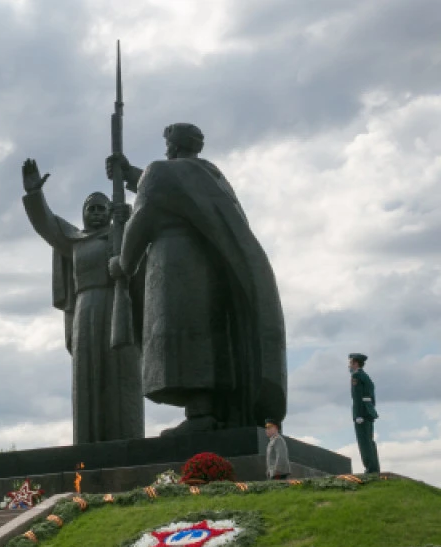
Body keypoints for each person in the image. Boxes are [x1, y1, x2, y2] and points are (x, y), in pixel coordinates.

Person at [106, 123, 287, 434]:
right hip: (208, 266)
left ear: (172, 147)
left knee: (181, 336)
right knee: (206, 335)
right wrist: (128, 172)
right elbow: (169, 185)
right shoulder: (211, 175)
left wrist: (123, 262)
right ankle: (214, 410)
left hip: (173, 263)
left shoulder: (161, 173)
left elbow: (144, 214)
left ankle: (200, 414)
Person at [21, 159, 144, 443]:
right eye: (92, 209)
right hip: (85, 311)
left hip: (117, 306)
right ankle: (87, 442)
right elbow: (47, 224)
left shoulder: (122, 234)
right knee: (87, 377)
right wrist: (34, 195)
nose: (97, 214)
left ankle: (127, 438)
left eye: (103, 209)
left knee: (121, 372)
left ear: (111, 212)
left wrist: (128, 222)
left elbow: (143, 251)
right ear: (83, 213)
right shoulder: (74, 240)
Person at [349, 353, 380, 474]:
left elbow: (356, 397)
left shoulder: (356, 376)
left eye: (351, 362)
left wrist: (358, 415)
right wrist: (370, 409)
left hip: (361, 412)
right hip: (369, 411)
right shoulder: (366, 377)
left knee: (364, 442)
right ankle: (374, 467)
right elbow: (371, 397)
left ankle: (370, 468)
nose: (349, 365)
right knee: (370, 441)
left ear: (356, 363)